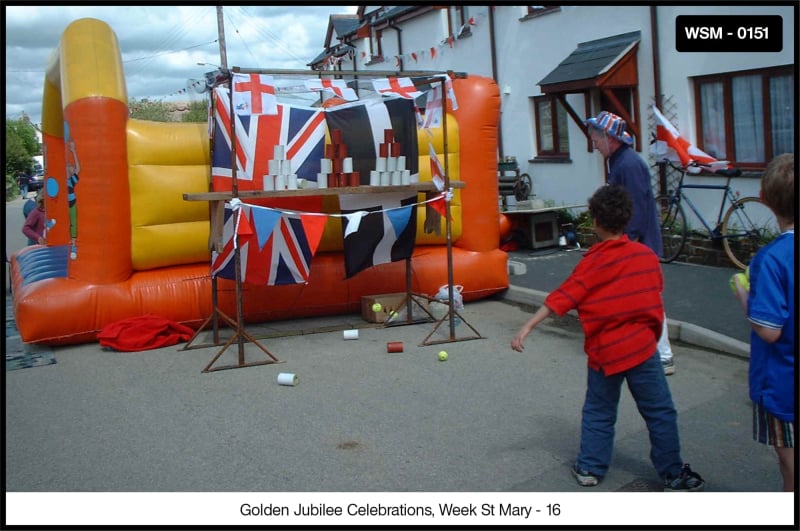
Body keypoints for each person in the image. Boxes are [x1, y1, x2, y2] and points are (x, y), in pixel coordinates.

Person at [511, 184, 704, 491]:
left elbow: (564, 296)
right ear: (626, 219)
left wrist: (528, 326)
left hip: (605, 352)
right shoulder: (646, 258)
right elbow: (653, 298)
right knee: (660, 412)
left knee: (599, 411)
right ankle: (672, 472)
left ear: (596, 222)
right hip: (642, 349)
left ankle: (589, 468)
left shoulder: (592, 263)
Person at [585, 110, 675, 375]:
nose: (595, 144)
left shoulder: (628, 164)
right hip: (635, 244)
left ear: (609, 137)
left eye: (596, 139)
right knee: (638, 298)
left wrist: (627, 244)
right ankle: (646, 350)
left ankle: (663, 355)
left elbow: (634, 210)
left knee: (648, 298)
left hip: (638, 245)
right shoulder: (621, 161)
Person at [731, 153, 795, 492]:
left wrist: (745, 297)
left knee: (790, 465)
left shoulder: (770, 260)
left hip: (784, 386)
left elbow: (769, 331)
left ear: (765, 198)